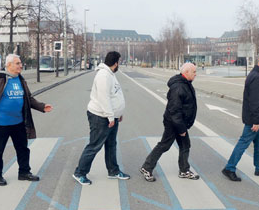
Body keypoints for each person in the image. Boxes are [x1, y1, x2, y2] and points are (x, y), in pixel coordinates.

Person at [0, 54, 53, 186]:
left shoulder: (20, 79)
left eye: (20, 63)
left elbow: (28, 98)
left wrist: (42, 107)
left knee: (23, 149)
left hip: (18, 123)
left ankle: (24, 172)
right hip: (0, 123)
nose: (21, 65)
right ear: (9, 65)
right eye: (17, 63)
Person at [73, 51, 129, 185]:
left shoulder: (110, 74)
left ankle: (113, 170)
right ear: (115, 63)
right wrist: (110, 116)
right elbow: (104, 98)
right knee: (94, 145)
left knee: (111, 144)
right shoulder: (104, 75)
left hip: (111, 116)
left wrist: (117, 114)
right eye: (119, 62)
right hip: (100, 116)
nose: (119, 64)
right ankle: (79, 172)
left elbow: (114, 95)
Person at [140, 62, 200, 182]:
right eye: (194, 72)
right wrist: (181, 129)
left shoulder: (185, 83)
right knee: (165, 145)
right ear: (186, 72)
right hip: (174, 123)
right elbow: (174, 110)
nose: (196, 74)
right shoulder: (179, 87)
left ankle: (184, 170)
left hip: (180, 122)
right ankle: (147, 167)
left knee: (185, 145)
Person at [222, 54, 259, 182]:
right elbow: (254, 102)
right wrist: (256, 121)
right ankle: (229, 168)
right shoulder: (257, 78)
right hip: (255, 120)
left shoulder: (258, 75)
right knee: (243, 143)